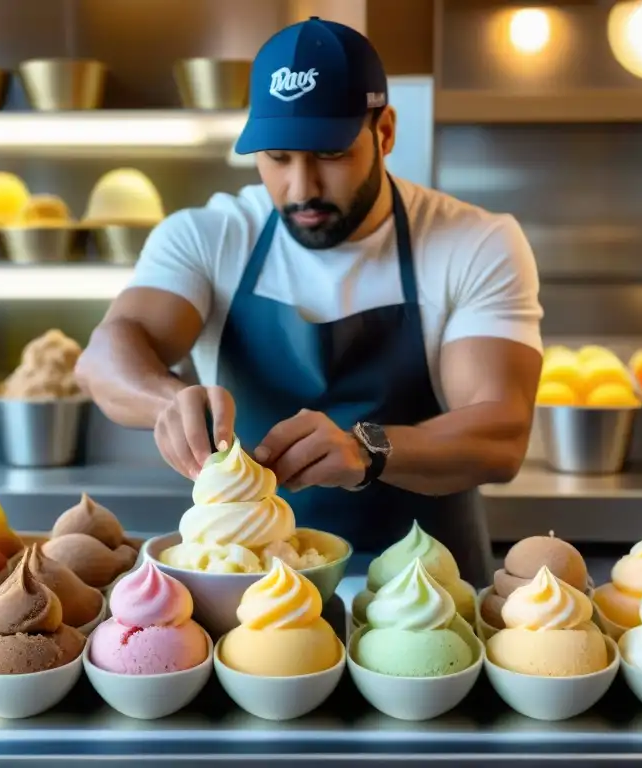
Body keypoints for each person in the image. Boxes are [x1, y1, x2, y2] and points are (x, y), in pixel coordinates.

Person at [76, 17, 543, 585]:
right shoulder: (208, 235)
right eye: (277, 157)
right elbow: (107, 354)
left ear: (386, 131)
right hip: (248, 592)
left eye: (329, 153)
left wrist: (367, 449)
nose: (301, 188)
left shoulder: (474, 242)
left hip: (430, 595)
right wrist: (166, 401)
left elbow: (501, 431)